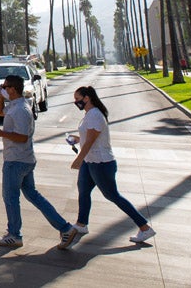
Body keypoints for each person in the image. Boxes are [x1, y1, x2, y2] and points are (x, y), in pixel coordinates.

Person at [62, 85, 155, 248]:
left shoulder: (95, 115)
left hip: (102, 163)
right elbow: (88, 138)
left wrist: (79, 159)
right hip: (90, 161)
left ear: (87, 98)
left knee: (112, 195)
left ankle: (144, 227)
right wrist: (77, 139)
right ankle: (81, 224)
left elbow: (91, 141)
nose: (75, 102)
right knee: (83, 190)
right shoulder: (89, 114)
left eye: (77, 99)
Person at [0, 75, 74, 248]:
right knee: (32, 195)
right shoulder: (15, 105)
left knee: (10, 198)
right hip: (23, 159)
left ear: (13, 89)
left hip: (16, 160)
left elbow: (22, 137)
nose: (3, 88)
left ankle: (14, 235)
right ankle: (65, 228)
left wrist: (0, 133)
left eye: (5, 86)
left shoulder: (21, 110)